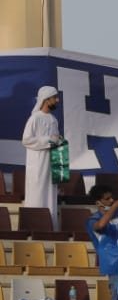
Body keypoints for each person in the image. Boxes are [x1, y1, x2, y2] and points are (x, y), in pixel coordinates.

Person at [21, 84, 64, 228]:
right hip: (38, 165)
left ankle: (50, 228)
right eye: (55, 98)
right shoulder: (35, 118)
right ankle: (34, 227)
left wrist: (59, 142)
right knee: (37, 194)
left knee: (50, 196)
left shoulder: (53, 120)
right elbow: (26, 139)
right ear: (46, 99)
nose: (57, 100)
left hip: (51, 165)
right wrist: (48, 141)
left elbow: (55, 140)